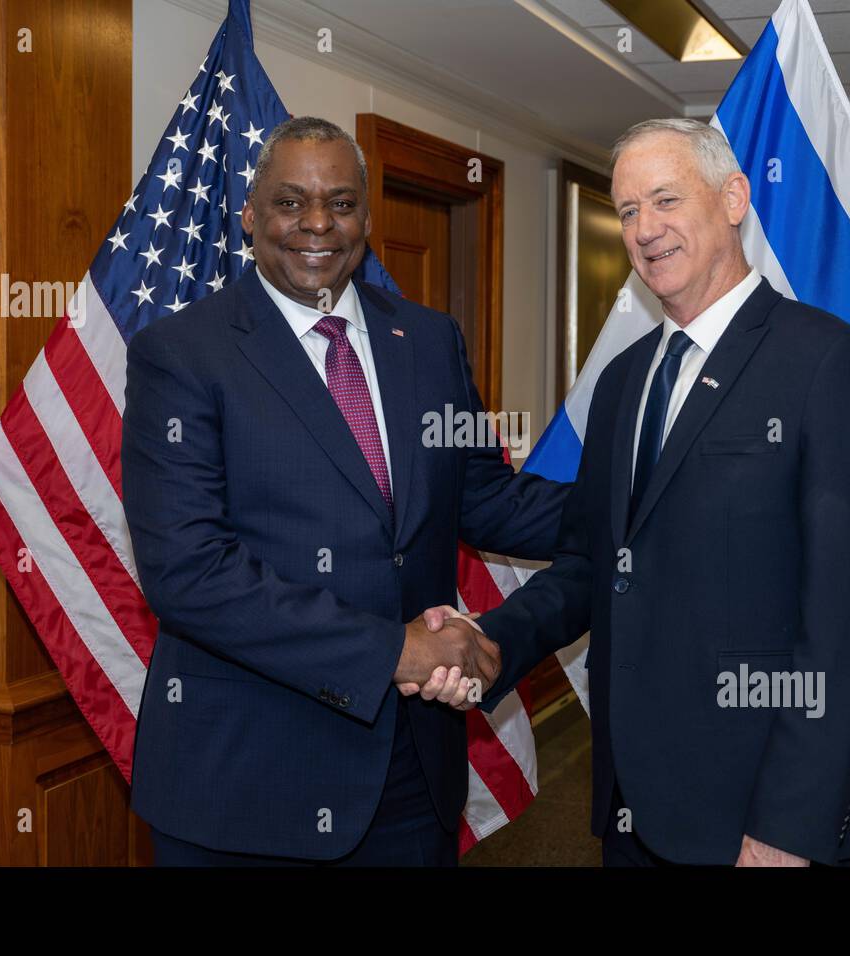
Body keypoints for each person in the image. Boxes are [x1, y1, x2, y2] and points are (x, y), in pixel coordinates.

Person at [411, 118, 850, 866]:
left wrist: (786, 826)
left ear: (734, 198)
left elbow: (846, 627)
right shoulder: (623, 383)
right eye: (627, 211)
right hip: (633, 803)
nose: (646, 230)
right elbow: (592, 563)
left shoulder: (830, 364)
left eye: (666, 200)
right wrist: (491, 642)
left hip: (760, 811)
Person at [121, 116, 568, 865]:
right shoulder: (182, 355)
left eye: (341, 202)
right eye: (291, 203)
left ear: (367, 214)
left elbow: (488, 498)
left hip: (412, 772)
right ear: (251, 215)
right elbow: (189, 573)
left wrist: (642, 496)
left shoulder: (428, 341)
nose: (318, 224)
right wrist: (396, 650)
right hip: (251, 782)